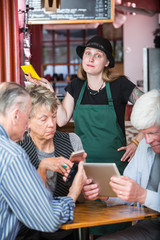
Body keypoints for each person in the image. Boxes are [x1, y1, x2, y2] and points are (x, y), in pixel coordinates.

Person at [25, 35, 144, 236]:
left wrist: (136, 141)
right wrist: (50, 90)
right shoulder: (76, 86)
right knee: (88, 221)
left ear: (106, 62)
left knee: (117, 220)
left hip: (114, 166)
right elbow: (61, 119)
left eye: (98, 55)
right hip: (83, 168)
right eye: (88, 53)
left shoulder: (120, 85)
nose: (90, 58)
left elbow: (152, 109)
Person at [0, 82, 86, 240]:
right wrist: (43, 169)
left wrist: (85, 187)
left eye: (54, 117)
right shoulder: (15, 151)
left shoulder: (71, 141)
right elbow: (42, 215)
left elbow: (83, 198)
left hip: (65, 231)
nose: (52, 124)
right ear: (24, 119)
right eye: (43, 119)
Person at [83, 89, 160, 240]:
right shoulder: (145, 146)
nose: (148, 140)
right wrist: (106, 194)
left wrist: (142, 195)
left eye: (153, 132)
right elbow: (128, 194)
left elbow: (138, 195)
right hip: (150, 225)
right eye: (144, 134)